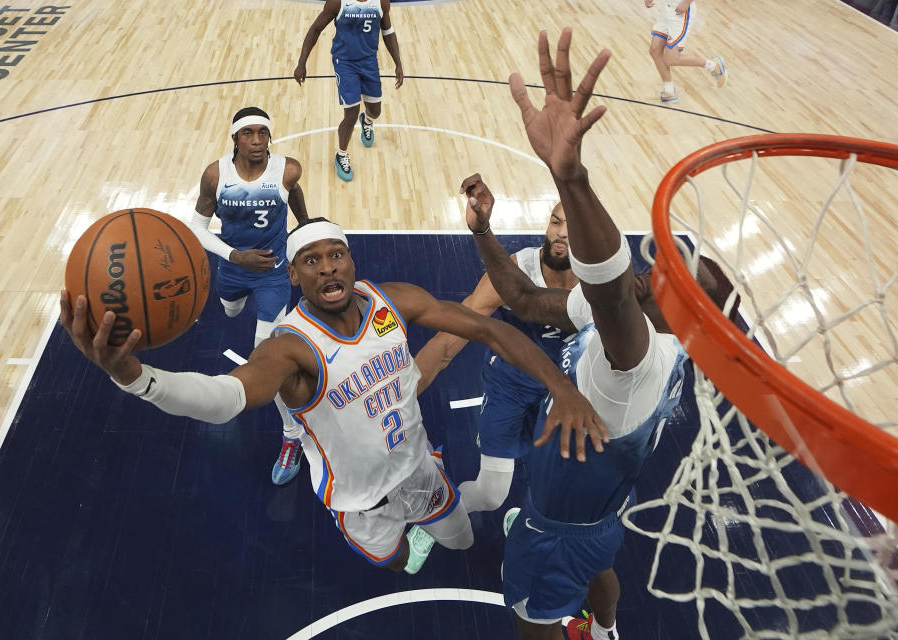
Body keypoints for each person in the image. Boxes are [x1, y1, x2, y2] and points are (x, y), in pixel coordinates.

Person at [59, 217, 606, 574]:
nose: (328, 266)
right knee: (395, 563)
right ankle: (403, 546)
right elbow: (227, 398)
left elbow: (490, 329)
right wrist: (138, 378)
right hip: (360, 501)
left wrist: (562, 388)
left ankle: (435, 532)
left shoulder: (393, 300)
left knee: (461, 541)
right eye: (312, 260)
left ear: (351, 259)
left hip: (419, 469)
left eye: (336, 254)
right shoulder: (289, 349)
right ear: (295, 275)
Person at [462, 29, 739, 640]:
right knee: (601, 570)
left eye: (661, 276)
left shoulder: (634, 357)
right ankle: (609, 629)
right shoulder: (647, 341)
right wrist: (484, 232)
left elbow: (611, 290)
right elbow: (527, 300)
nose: (645, 270)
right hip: (603, 516)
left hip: (553, 532)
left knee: (533, 623)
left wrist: (571, 177)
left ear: (686, 313)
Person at [407, 204, 581, 571]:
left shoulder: (601, 284)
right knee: (490, 494)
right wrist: (401, 396)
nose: (561, 232)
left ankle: (524, 533)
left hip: (565, 397)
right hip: (510, 390)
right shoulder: (514, 273)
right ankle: (438, 516)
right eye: (555, 221)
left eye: (573, 226)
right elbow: (449, 339)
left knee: (558, 495)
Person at [188, 106, 310, 486]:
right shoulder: (216, 174)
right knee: (229, 310)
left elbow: (295, 197)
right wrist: (234, 256)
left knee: (266, 353)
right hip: (233, 268)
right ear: (235, 139)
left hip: (273, 273)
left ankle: (293, 437)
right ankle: (235, 300)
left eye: (263, 133)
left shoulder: (286, 170)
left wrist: (306, 229)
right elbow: (197, 228)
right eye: (248, 134)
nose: (257, 141)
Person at [293, 0, 404, 182]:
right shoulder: (338, 2)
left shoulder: (381, 2)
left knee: (375, 111)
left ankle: (367, 121)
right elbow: (315, 29)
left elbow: (387, 31)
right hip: (344, 63)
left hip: (369, 62)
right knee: (351, 113)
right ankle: (341, 154)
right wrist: (301, 62)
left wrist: (398, 62)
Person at [645, 0, 726, 103]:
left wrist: (686, 2)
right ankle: (669, 91)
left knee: (672, 59)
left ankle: (713, 66)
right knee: (655, 50)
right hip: (668, 10)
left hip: (682, 13)